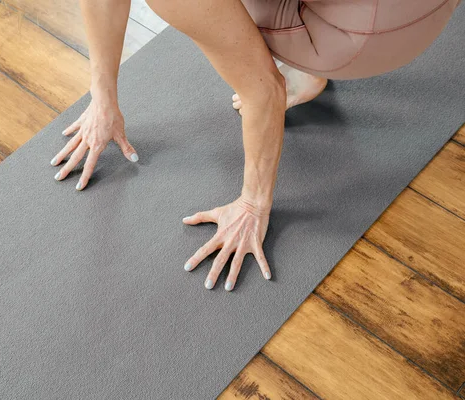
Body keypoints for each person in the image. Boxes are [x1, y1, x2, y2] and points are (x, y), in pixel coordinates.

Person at [50, 0, 461, 291]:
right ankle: (308, 65)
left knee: (227, 23)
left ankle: (309, 66)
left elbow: (263, 91)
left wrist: (252, 205)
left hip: (373, 35)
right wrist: (103, 96)